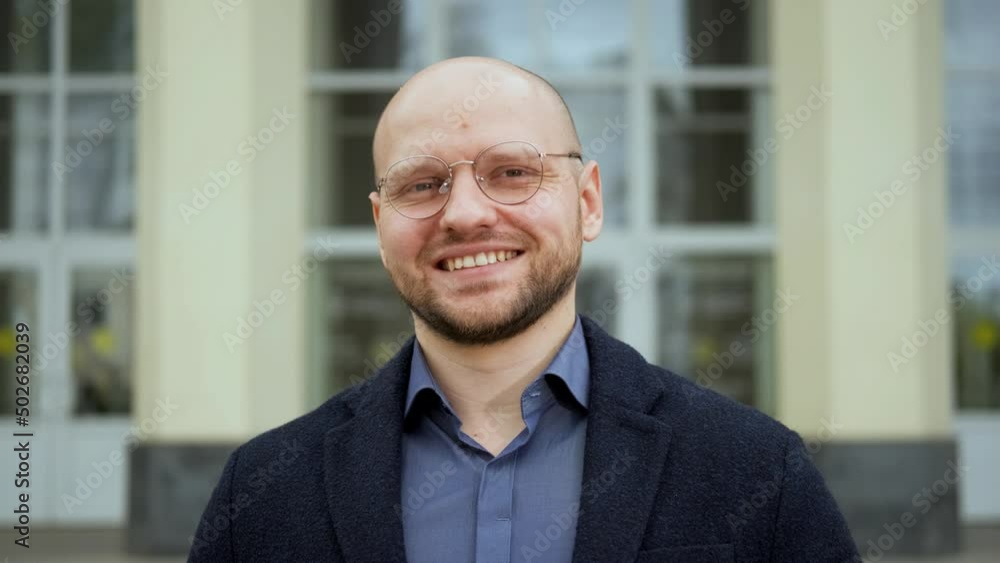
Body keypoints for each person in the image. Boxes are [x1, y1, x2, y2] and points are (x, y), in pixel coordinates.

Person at [189, 56, 859, 563]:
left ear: (588, 201)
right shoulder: (264, 493)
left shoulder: (755, 472)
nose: (466, 213)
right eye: (421, 184)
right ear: (379, 220)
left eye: (512, 171)